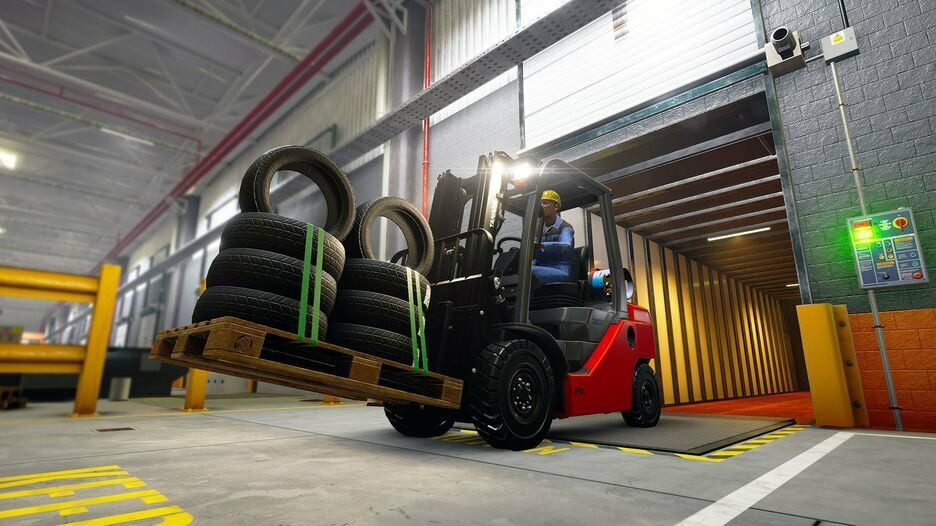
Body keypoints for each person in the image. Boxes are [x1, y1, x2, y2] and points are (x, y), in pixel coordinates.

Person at [532, 189, 575, 285]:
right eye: (541, 203)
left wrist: (542, 245)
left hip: (561, 269)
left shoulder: (565, 227)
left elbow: (566, 246)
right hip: (540, 266)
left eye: (545, 203)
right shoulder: (537, 228)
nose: (542, 206)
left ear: (556, 206)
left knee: (528, 272)